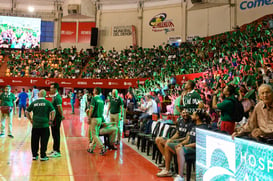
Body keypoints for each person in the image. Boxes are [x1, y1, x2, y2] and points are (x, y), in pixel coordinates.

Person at [174, 110, 210, 181]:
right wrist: (181, 144)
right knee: (178, 148)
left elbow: (199, 144)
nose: (191, 116)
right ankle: (178, 173)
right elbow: (188, 139)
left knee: (180, 150)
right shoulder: (194, 126)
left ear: (197, 117)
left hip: (198, 150)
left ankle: (181, 176)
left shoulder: (203, 128)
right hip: (191, 147)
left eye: (193, 115)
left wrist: (185, 146)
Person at [156, 110, 193, 177]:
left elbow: (186, 138)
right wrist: (171, 139)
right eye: (183, 113)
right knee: (158, 139)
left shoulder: (191, 123)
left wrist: (174, 141)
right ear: (181, 113)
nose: (185, 114)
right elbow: (177, 133)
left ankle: (168, 169)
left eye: (187, 112)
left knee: (167, 144)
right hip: (177, 140)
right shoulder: (180, 121)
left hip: (182, 141)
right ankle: (167, 159)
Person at [26, 90, 55, 161]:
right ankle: (43, 155)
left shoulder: (34, 102)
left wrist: (30, 119)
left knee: (34, 141)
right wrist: (51, 120)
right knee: (44, 141)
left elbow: (27, 111)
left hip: (35, 125)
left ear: (38, 94)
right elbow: (53, 111)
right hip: (44, 125)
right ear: (45, 95)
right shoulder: (47, 103)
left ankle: (34, 155)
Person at [86, 87, 106, 155]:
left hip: (94, 118)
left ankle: (102, 147)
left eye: (93, 90)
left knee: (94, 135)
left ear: (95, 91)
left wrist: (89, 118)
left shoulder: (94, 99)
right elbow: (102, 111)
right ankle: (91, 148)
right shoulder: (101, 100)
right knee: (96, 135)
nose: (93, 90)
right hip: (100, 118)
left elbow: (91, 109)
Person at [48, 83, 64, 158]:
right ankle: (55, 150)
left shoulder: (57, 97)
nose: (50, 89)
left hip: (56, 118)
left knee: (56, 134)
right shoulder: (54, 97)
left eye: (51, 88)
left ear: (55, 89)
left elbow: (59, 108)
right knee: (54, 134)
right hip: (54, 118)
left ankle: (57, 151)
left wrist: (62, 115)